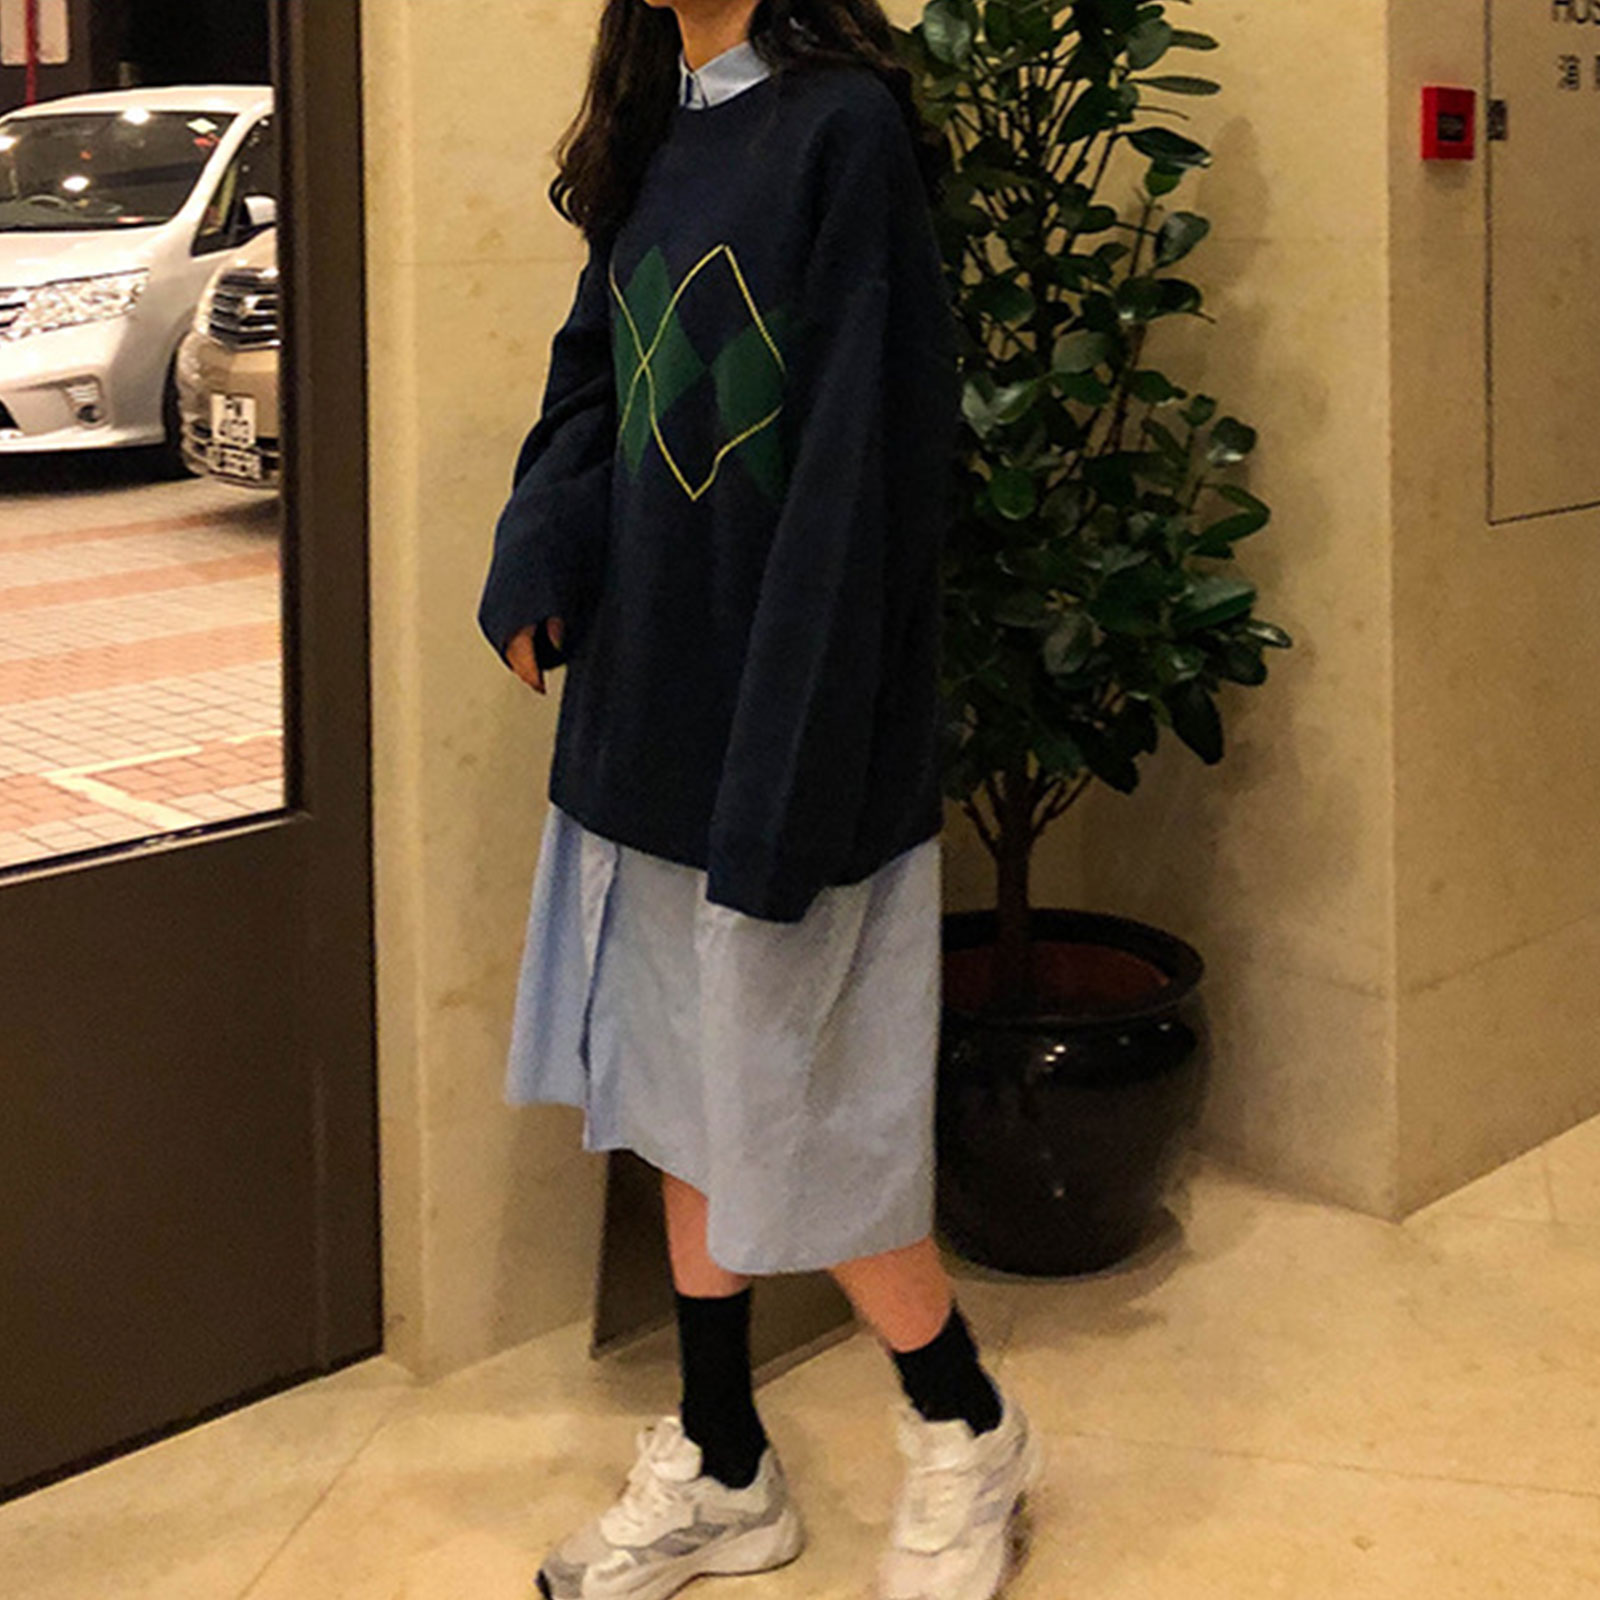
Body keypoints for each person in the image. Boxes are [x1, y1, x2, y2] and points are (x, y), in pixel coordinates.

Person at [476, 3, 1039, 1597]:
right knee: (680, 1093)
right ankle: (725, 1461)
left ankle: (968, 1424)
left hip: (790, 735)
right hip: (645, 712)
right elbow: (593, 379)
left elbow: (869, 474)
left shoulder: (840, 130)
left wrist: (792, 760)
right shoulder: (658, 124)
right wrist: (539, 549)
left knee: (806, 1113)